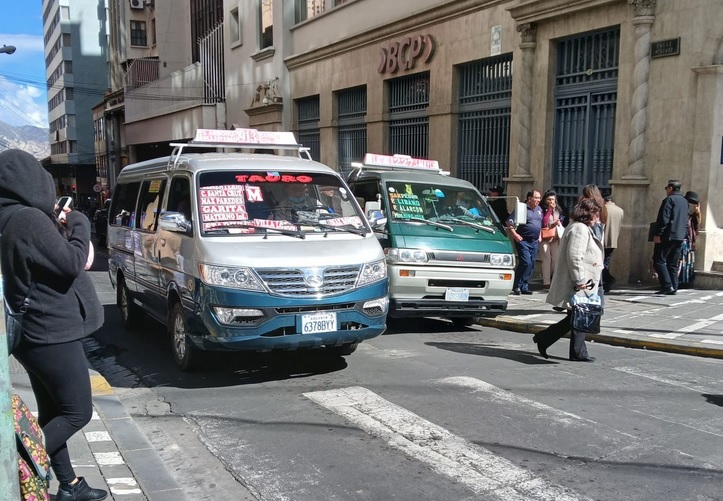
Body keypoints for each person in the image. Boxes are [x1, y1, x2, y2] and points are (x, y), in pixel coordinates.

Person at [0, 150, 107, 501]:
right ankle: (16, 463)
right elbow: (71, 262)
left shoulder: (10, 215)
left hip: (35, 330)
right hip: (50, 333)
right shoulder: (28, 219)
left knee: (52, 410)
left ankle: (69, 485)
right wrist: (78, 223)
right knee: (77, 411)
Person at [532, 198, 604, 362]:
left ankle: (572, 350)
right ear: (588, 214)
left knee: (576, 317)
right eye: (596, 213)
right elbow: (575, 257)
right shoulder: (580, 229)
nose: (598, 216)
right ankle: (546, 339)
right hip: (579, 284)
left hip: (583, 283)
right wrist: (580, 280)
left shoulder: (581, 227)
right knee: (577, 317)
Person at [651, 180, 689, 295]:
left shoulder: (669, 200)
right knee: (672, 263)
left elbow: (664, 219)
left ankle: (667, 286)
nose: (666, 190)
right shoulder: (684, 201)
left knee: (658, 260)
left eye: (666, 187)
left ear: (671, 188)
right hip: (680, 236)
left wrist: (658, 234)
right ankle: (674, 286)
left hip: (668, 235)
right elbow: (686, 220)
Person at [507, 190, 542, 295]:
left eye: (539, 198)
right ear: (529, 198)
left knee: (531, 264)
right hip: (523, 241)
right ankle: (516, 284)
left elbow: (539, 223)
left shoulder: (539, 209)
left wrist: (539, 235)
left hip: (534, 241)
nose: (538, 200)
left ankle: (524, 286)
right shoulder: (522, 209)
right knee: (525, 262)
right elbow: (509, 222)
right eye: (536, 198)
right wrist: (515, 235)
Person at [539, 190, 565, 290]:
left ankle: (551, 277)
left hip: (555, 237)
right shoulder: (542, 210)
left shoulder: (558, 210)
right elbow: (544, 222)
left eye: (553, 199)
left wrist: (558, 222)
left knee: (555, 259)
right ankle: (546, 282)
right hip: (545, 237)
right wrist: (549, 210)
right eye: (549, 199)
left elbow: (562, 219)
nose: (551, 201)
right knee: (546, 259)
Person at [602, 190, 624, 293]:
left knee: (600, 263)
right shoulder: (620, 210)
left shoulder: (602, 210)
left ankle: (608, 280)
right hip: (613, 240)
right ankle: (606, 283)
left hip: (602, 240)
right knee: (606, 262)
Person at [678, 191, 701, 288]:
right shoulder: (683, 214)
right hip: (681, 242)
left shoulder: (692, 217)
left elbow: (698, 224)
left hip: (688, 243)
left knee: (687, 262)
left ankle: (685, 281)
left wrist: (698, 211)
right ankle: (678, 281)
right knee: (680, 262)